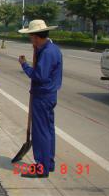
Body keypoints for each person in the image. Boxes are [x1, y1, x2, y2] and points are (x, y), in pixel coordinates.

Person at [18, 19, 63, 178]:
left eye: (31, 37)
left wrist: (25, 65)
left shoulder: (48, 52)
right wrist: (36, 50)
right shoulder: (50, 48)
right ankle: (48, 163)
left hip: (42, 96)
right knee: (48, 130)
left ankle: (41, 167)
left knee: (41, 132)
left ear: (36, 37)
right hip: (49, 95)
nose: (31, 40)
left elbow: (39, 76)